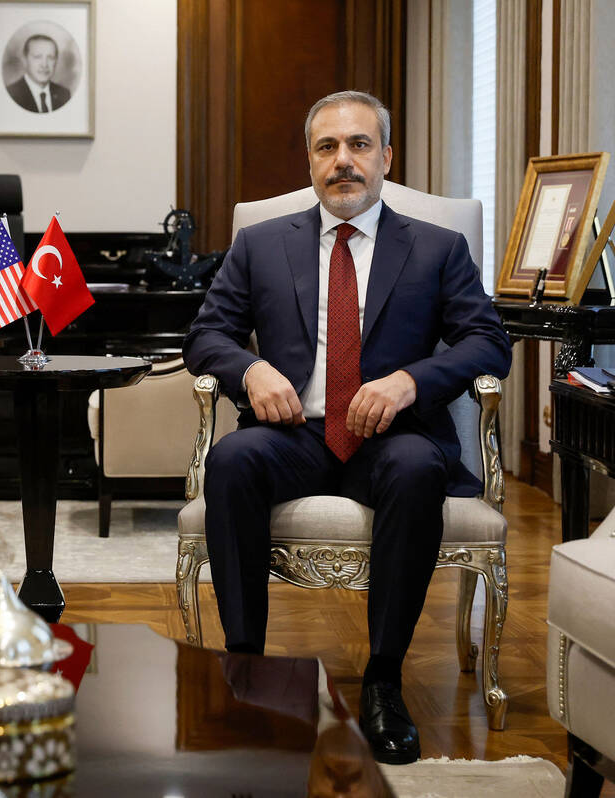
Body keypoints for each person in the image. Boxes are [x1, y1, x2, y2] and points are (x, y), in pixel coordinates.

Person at [183, 90, 511, 765]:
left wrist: (411, 380)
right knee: (232, 460)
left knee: (418, 469)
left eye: (359, 145)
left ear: (386, 156)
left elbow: (488, 342)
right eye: (327, 147)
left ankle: (383, 684)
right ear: (309, 160)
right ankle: (246, 671)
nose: (344, 161)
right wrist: (249, 371)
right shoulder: (260, 245)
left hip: (393, 438)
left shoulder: (437, 249)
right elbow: (207, 335)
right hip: (293, 435)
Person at [5, 33, 71, 113]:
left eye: (51, 57)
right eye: (37, 57)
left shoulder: (64, 94)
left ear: (56, 61)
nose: (44, 64)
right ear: (25, 60)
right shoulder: (11, 94)